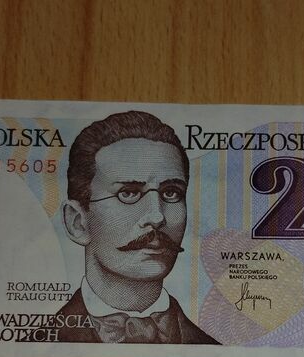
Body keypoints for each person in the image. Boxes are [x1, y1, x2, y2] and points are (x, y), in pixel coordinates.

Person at [55, 110, 219, 344]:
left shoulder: (213, 349)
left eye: (171, 193)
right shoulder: (40, 344)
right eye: (129, 193)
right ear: (78, 222)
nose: (157, 216)